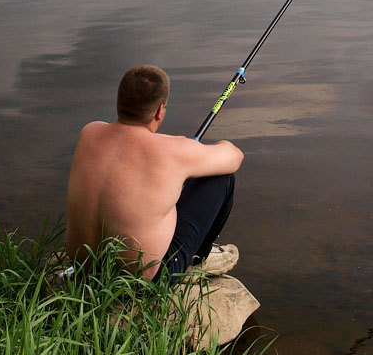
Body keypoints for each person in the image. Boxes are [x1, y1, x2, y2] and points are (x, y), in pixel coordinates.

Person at [66, 64, 244, 284]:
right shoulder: (174, 151)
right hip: (142, 283)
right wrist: (188, 150)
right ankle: (197, 262)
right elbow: (235, 157)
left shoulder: (90, 132)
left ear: (119, 102)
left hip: (85, 269)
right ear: (160, 110)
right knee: (221, 178)